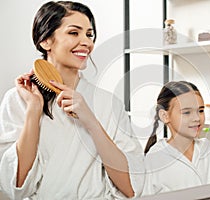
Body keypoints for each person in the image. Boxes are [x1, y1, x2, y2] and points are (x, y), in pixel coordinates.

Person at [0, 1, 144, 199]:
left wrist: (90, 121)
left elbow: (130, 188)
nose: (86, 42)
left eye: (89, 34)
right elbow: (16, 186)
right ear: (45, 41)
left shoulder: (108, 103)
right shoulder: (17, 100)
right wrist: (34, 110)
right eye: (74, 33)